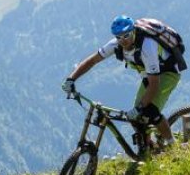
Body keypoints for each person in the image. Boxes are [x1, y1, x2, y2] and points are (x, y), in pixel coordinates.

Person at [62, 15, 183, 147]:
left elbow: (154, 85)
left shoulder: (147, 46)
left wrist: (140, 108)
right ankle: (149, 146)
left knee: (149, 111)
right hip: (149, 75)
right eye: (119, 37)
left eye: (126, 35)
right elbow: (92, 61)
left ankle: (173, 145)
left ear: (133, 31)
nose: (123, 40)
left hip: (168, 73)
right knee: (135, 117)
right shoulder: (115, 44)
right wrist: (71, 78)